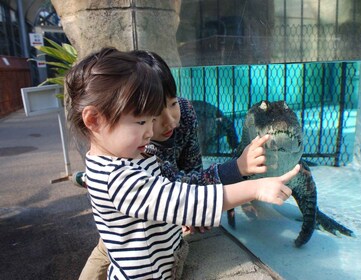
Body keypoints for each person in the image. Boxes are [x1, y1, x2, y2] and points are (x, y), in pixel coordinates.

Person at [68, 47, 299, 279]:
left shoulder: (130, 153)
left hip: (160, 256)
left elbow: (183, 185)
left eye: (152, 119)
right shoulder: (118, 177)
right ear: (94, 120)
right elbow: (183, 200)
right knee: (104, 249)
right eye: (142, 122)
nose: (150, 132)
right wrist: (254, 188)